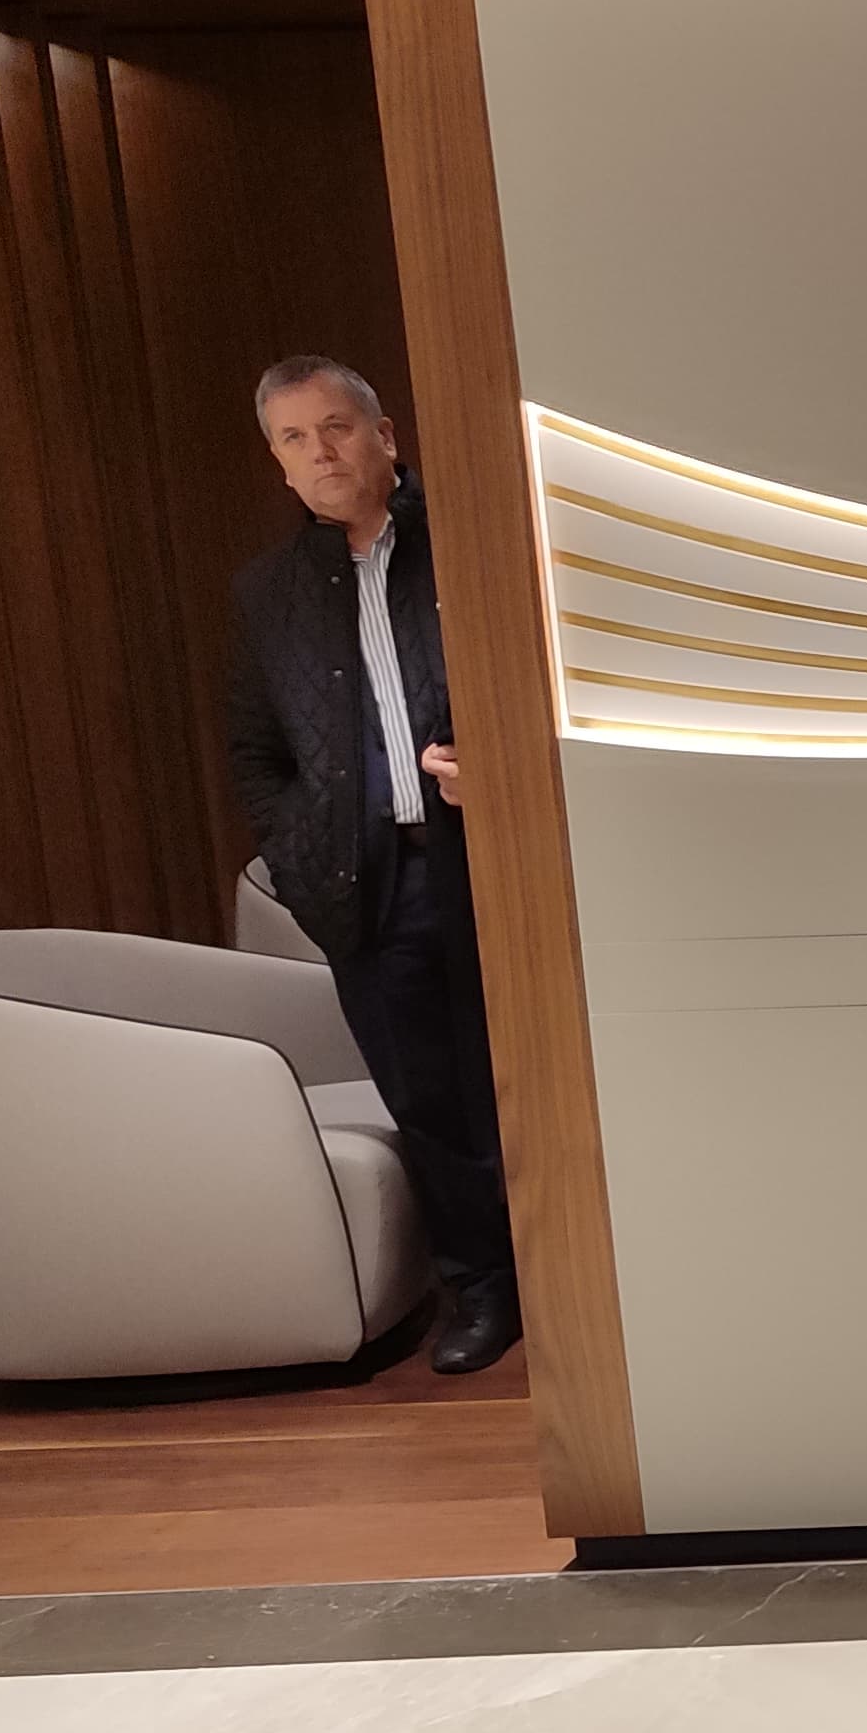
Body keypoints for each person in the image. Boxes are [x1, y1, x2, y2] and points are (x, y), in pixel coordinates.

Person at [224, 357, 522, 1378]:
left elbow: (543, 684)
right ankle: (484, 1288)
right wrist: (302, 856)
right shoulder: (267, 595)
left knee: (525, 1079)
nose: (321, 452)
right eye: (294, 439)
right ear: (278, 464)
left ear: (384, 434)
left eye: (337, 426)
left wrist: (503, 766)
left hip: (497, 868)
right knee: (426, 1101)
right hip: (368, 887)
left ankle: (571, 1270)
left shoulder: (476, 546)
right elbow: (256, 753)